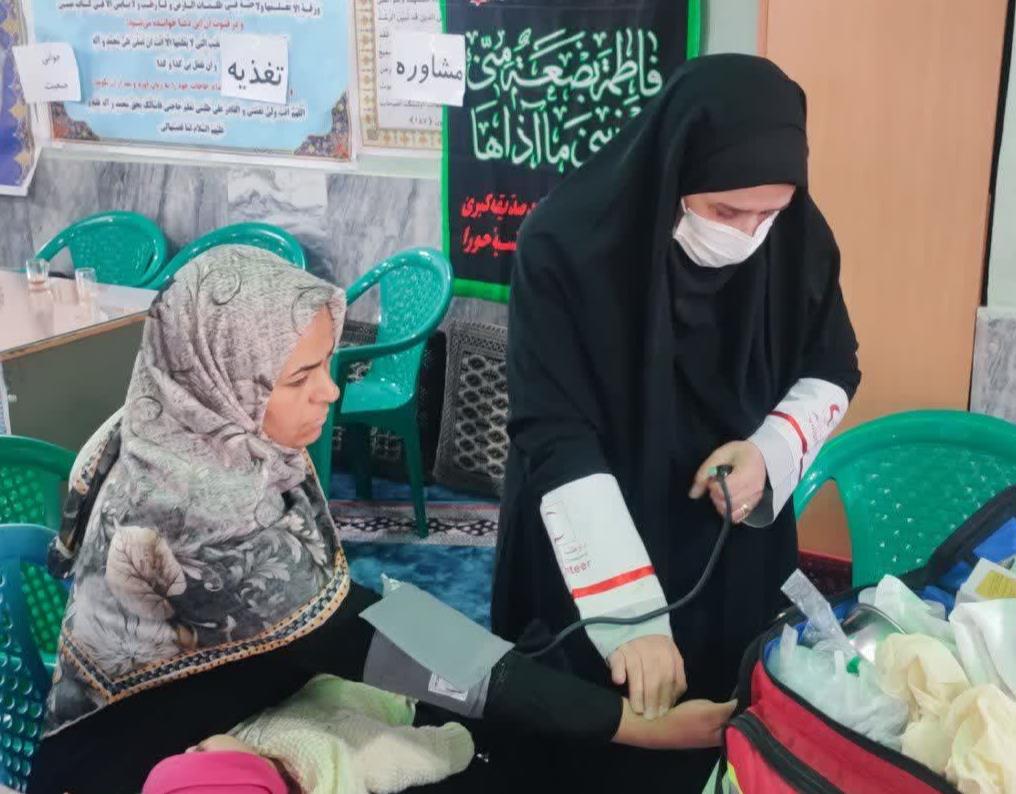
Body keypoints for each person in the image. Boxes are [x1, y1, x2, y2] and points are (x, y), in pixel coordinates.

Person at [28, 246, 733, 794]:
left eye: (324, 365)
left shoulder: (173, 426)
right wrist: (630, 727)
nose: (331, 392)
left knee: (476, 714)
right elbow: (366, 634)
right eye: (301, 378)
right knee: (484, 750)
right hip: (145, 764)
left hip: (219, 699)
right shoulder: (200, 514)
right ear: (222, 375)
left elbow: (351, 624)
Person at [492, 54, 862, 790]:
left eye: (768, 213)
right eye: (725, 213)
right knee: (596, 730)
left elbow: (834, 365)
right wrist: (628, 616)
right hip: (596, 518)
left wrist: (766, 453)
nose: (749, 235)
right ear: (672, 173)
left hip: (732, 518)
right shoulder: (564, 244)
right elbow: (553, 428)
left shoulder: (799, 237)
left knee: (723, 719)